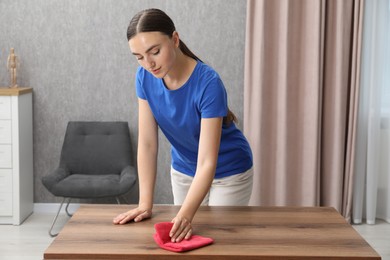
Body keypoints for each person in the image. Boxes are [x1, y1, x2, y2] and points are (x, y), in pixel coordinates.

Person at [113, 8, 253, 243]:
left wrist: (186, 215)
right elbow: (147, 144)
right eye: (138, 57)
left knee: (220, 245)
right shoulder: (144, 77)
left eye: (154, 51)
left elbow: (208, 161)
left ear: (175, 40)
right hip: (184, 170)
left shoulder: (209, 83)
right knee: (183, 242)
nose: (148, 63)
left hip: (229, 172)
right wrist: (145, 204)